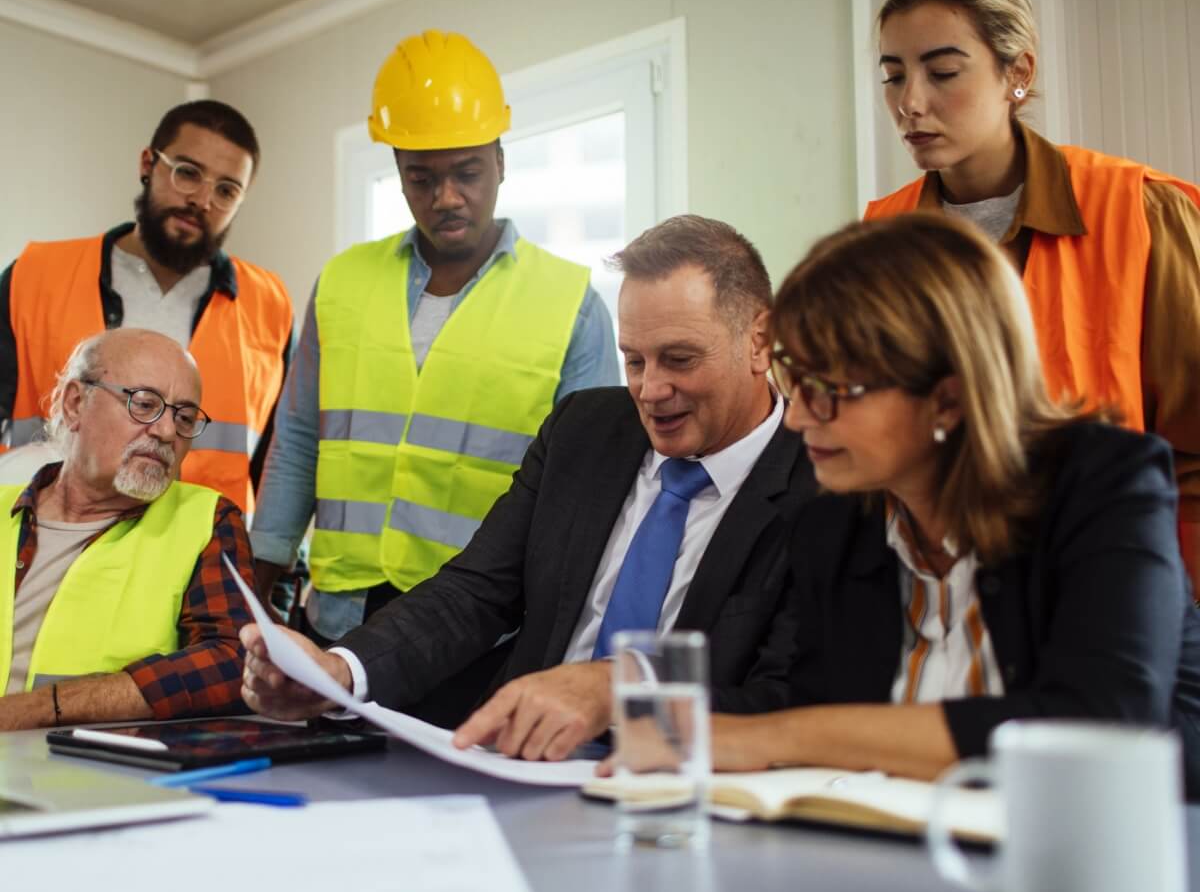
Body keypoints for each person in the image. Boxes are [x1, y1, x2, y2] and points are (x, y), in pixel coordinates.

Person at [240, 215, 816, 759]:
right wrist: (341, 672)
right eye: (634, 361)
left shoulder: (819, 489)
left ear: (759, 341)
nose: (651, 390)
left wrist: (620, 688)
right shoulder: (583, 430)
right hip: (521, 770)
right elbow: (475, 593)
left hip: (689, 793)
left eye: (680, 359)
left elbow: (788, 699)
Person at [700, 213, 1200, 798]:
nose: (797, 415)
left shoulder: (1103, 483)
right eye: (795, 377)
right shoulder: (832, 521)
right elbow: (819, 711)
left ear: (949, 398)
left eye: (831, 389)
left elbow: (1098, 729)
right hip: (903, 860)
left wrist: (773, 738)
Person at [250, 29, 619, 642]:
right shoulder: (342, 282)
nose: (447, 198)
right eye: (422, 178)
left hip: (477, 631)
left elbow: (585, 493)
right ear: (397, 172)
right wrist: (261, 585)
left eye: (467, 172)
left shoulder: (572, 306)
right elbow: (297, 441)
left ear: (500, 161)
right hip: (338, 614)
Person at [865, 0, 1200, 593]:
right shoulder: (879, 235)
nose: (910, 102)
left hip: (1105, 598)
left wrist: (1163, 605)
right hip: (930, 603)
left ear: (1016, 72)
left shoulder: (1139, 211)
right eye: (893, 75)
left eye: (942, 72)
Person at [0, 100, 293, 513]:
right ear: (147, 164)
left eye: (226, 190)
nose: (202, 200)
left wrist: (269, 562)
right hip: (46, 541)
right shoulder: (36, 275)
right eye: (187, 173)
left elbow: (281, 454)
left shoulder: (269, 304)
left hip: (202, 550)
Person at [0, 329, 255, 730]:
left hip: (103, 778)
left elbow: (234, 661)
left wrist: (38, 709)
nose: (167, 432)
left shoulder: (208, 520)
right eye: (144, 404)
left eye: (184, 416)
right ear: (74, 404)